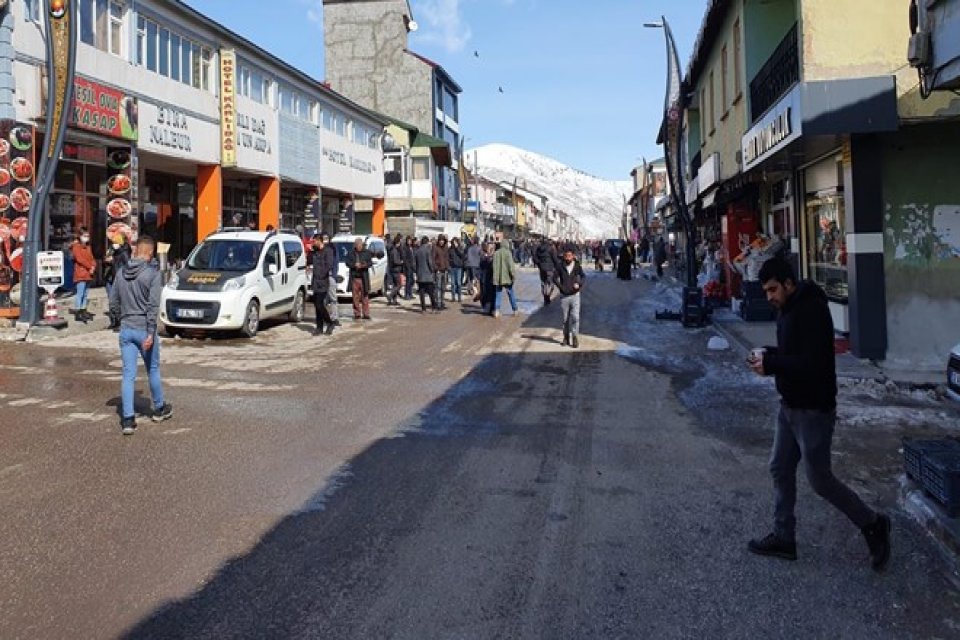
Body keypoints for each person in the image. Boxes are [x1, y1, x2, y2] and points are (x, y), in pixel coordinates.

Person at [747, 257, 890, 570]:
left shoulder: (811, 310)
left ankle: (873, 523)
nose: (769, 297)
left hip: (813, 410)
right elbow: (792, 355)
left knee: (821, 480)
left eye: (773, 289)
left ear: (788, 283)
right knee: (779, 468)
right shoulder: (787, 308)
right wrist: (768, 355)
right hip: (790, 406)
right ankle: (784, 537)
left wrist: (771, 364)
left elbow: (811, 363)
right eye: (766, 291)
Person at [108, 235, 172, 435]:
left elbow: (113, 302)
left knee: (128, 374)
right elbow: (153, 306)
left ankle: (128, 419)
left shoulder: (121, 273)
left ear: (136, 251)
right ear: (151, 253)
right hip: (144, 329)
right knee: (152, 369)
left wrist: (119, 319)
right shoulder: (152, 275)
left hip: (126, 328)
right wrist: (151, 331)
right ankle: (159, 408)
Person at [554, 248, 585, 348]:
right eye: (566, 256)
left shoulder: (577, 266)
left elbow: (583, 276)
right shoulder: (560, 266)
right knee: (565, 319)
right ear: (564, 256)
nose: (568, 258)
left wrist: (579, 284)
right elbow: (554, 278)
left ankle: (575, 337)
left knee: (575, 317)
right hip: (564, 296)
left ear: (573, 256)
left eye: (570, 256)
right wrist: (561, 287)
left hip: (575, 295)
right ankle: (566, 337)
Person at [310, 235, 337, 335]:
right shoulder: (315, 251)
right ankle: (319, 327)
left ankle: (330, 323)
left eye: (314, 241)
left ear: (319, 241)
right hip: (315, 282)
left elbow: (329, 265)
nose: (313, 243)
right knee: (316, 305)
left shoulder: (328, 251)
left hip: (323, 281)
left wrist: (321, 275)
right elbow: (309, 261)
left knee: (319, 304)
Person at [103, 234, 131, 330]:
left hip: (118, 278)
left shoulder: (124, 252)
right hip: (109, 277)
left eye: (115, 242)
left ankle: (120, 322)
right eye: (113, 242)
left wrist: (113, 260)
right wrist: (107, 259)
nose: (113, 244)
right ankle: (113, 321)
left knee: (117, 300)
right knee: (111, 300)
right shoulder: (111, 250)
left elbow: (127, 265)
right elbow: (106, 259)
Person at [70, 227, 96, 323]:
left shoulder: (88, 246)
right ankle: (78, 311)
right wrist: (90, 266)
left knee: (85, 294)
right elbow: (80, 259)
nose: (87, 238)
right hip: (81, 273)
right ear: (80, 236)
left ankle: (83, 309)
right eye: (85, 236)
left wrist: (93, 266)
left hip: (88, 273)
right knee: (80, 293)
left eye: (88, 236)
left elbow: (92, 258)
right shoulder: (76, 247)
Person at [345, 238, 373, 320]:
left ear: (362, 245)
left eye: (360, 245)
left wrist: (364, 265)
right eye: (357, 245)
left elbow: (370, 263)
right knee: (355, 297)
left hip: (363, 277)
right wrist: (354, 265)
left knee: (365, 296)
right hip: (355, 277)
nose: (358, 246)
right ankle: (357, 313)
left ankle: (366, 313)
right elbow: (347, 263)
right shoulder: (351, 253)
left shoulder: (367, 252)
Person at [492, 240, 518, 318]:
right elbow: (511, 266)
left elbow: (493, 266)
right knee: (511, 293)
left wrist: (495, 277)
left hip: (498, 278)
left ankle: (496, 311)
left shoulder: (496, 253)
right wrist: (513, 275)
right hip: (507, 278)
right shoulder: (508, 253)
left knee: (498, 294)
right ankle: (515, 309)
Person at [319, 232, 341, 326]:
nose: (325, 240)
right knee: (322, 299)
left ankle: (334, 318)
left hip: (331, 276)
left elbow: (336, 262)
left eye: (326, 238)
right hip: (321, 278)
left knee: (333, 298)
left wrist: (333, 275)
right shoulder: (319, 249)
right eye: (323, 238)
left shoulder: (333, 248)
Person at [414, 235, 437, 313]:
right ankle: (433, 308)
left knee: (422, 293)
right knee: (431, 292)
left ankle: (423, 309)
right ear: (427, 242)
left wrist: (416, 272)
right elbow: (429, 262)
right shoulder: (428, 251)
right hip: (427, 275)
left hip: (420, 275)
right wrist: (432, 270)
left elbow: (415, 263)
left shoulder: (417, 251)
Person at [534, 239, 559, 306]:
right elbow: (555, 259)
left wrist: (539, 264)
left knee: (544, 283)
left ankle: (545, 297)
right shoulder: (551, 248)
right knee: (551, 284)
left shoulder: (539, 249)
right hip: (549, 268)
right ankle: (548, 296)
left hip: (542, 268)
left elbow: (535, 257)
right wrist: (557, 266)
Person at [385, 234, 405, 306]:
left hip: (393, 269)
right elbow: (395, 261)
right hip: (395, 269)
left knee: (395, 285)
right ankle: (390, 295)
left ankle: (394, 300)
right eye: (399, 243)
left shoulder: (393, 249)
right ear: (397, 243)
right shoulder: (394, 250)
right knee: (399, 285)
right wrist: (401, 262)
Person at [433, 234, 451, 310]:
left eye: (443, 240)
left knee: (443, 287)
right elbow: (432, 259)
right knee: (438, 287)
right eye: (440, 240)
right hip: (438, 271)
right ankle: (438, 303)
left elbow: (447, 258)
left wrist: (448, 267)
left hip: (445, 270)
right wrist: (436, 269)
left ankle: (442, 301)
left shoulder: (446, 248)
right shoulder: (435, 248)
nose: (441, 242)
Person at [448, 236, 465, 303]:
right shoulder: (450, 249)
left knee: (458, 283)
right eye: (453, 242)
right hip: (452, 267)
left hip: (459, 267)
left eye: (455, 242)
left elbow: (462, 255)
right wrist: (450, 264)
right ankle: (453, 297)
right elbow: (448, 257)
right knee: (453, 283)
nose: (454, 243)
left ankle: (459, 297)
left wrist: (456, 248)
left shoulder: (460, 248)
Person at [403, 236, 417, 300]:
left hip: (412, 267)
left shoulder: (411, 247)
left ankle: (410, 294)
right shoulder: (405, 248)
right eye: (408, 241)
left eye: (410, 241)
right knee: (408, 281)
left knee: (412, 281)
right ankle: (407, 295)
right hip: (408, 267)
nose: (409, 242)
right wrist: (407, 266)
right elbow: (405, 258)